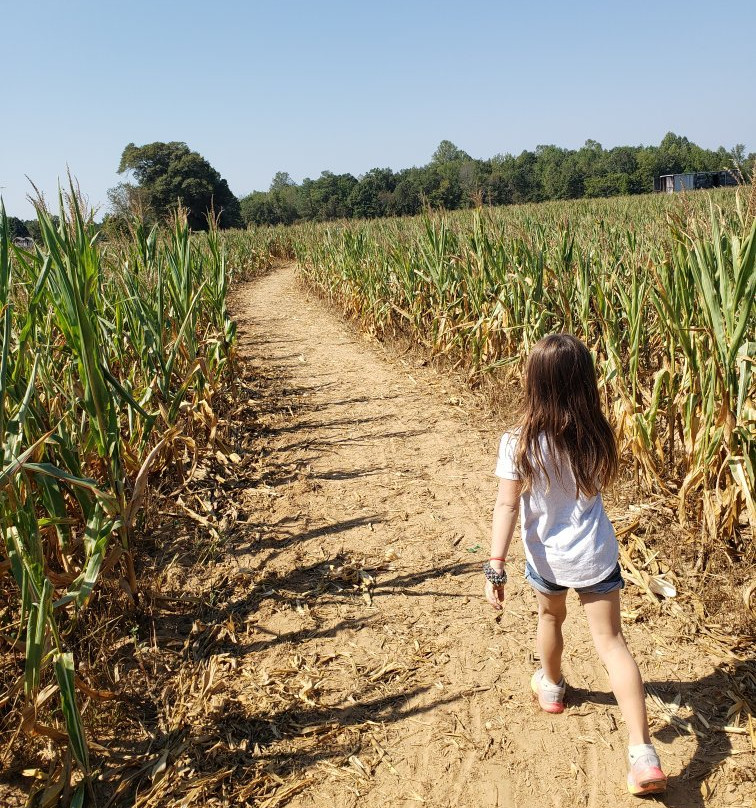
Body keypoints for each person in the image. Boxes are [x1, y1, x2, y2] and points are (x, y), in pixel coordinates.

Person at [483, 333, 667, 797]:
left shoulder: (517, 442)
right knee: (611, 642)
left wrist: (495, 565)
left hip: (548, 557)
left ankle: (551, 686)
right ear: (586, 383)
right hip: (595, 553)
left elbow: (506, 508)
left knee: (550, 616)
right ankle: (642, 753)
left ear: (534, 383)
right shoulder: (596, 434)